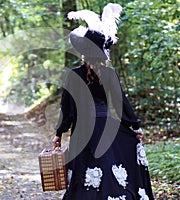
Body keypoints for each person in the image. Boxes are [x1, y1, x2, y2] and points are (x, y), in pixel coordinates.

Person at [52, 3, 154, 200]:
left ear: (83, 52)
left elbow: (68, 109)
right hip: (107, 127)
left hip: (82, 130)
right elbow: (121, 103)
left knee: (86, 172)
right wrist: (135, 127)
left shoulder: (74, 75)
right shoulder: (109, 74)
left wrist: (59, 133)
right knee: (108, 169)